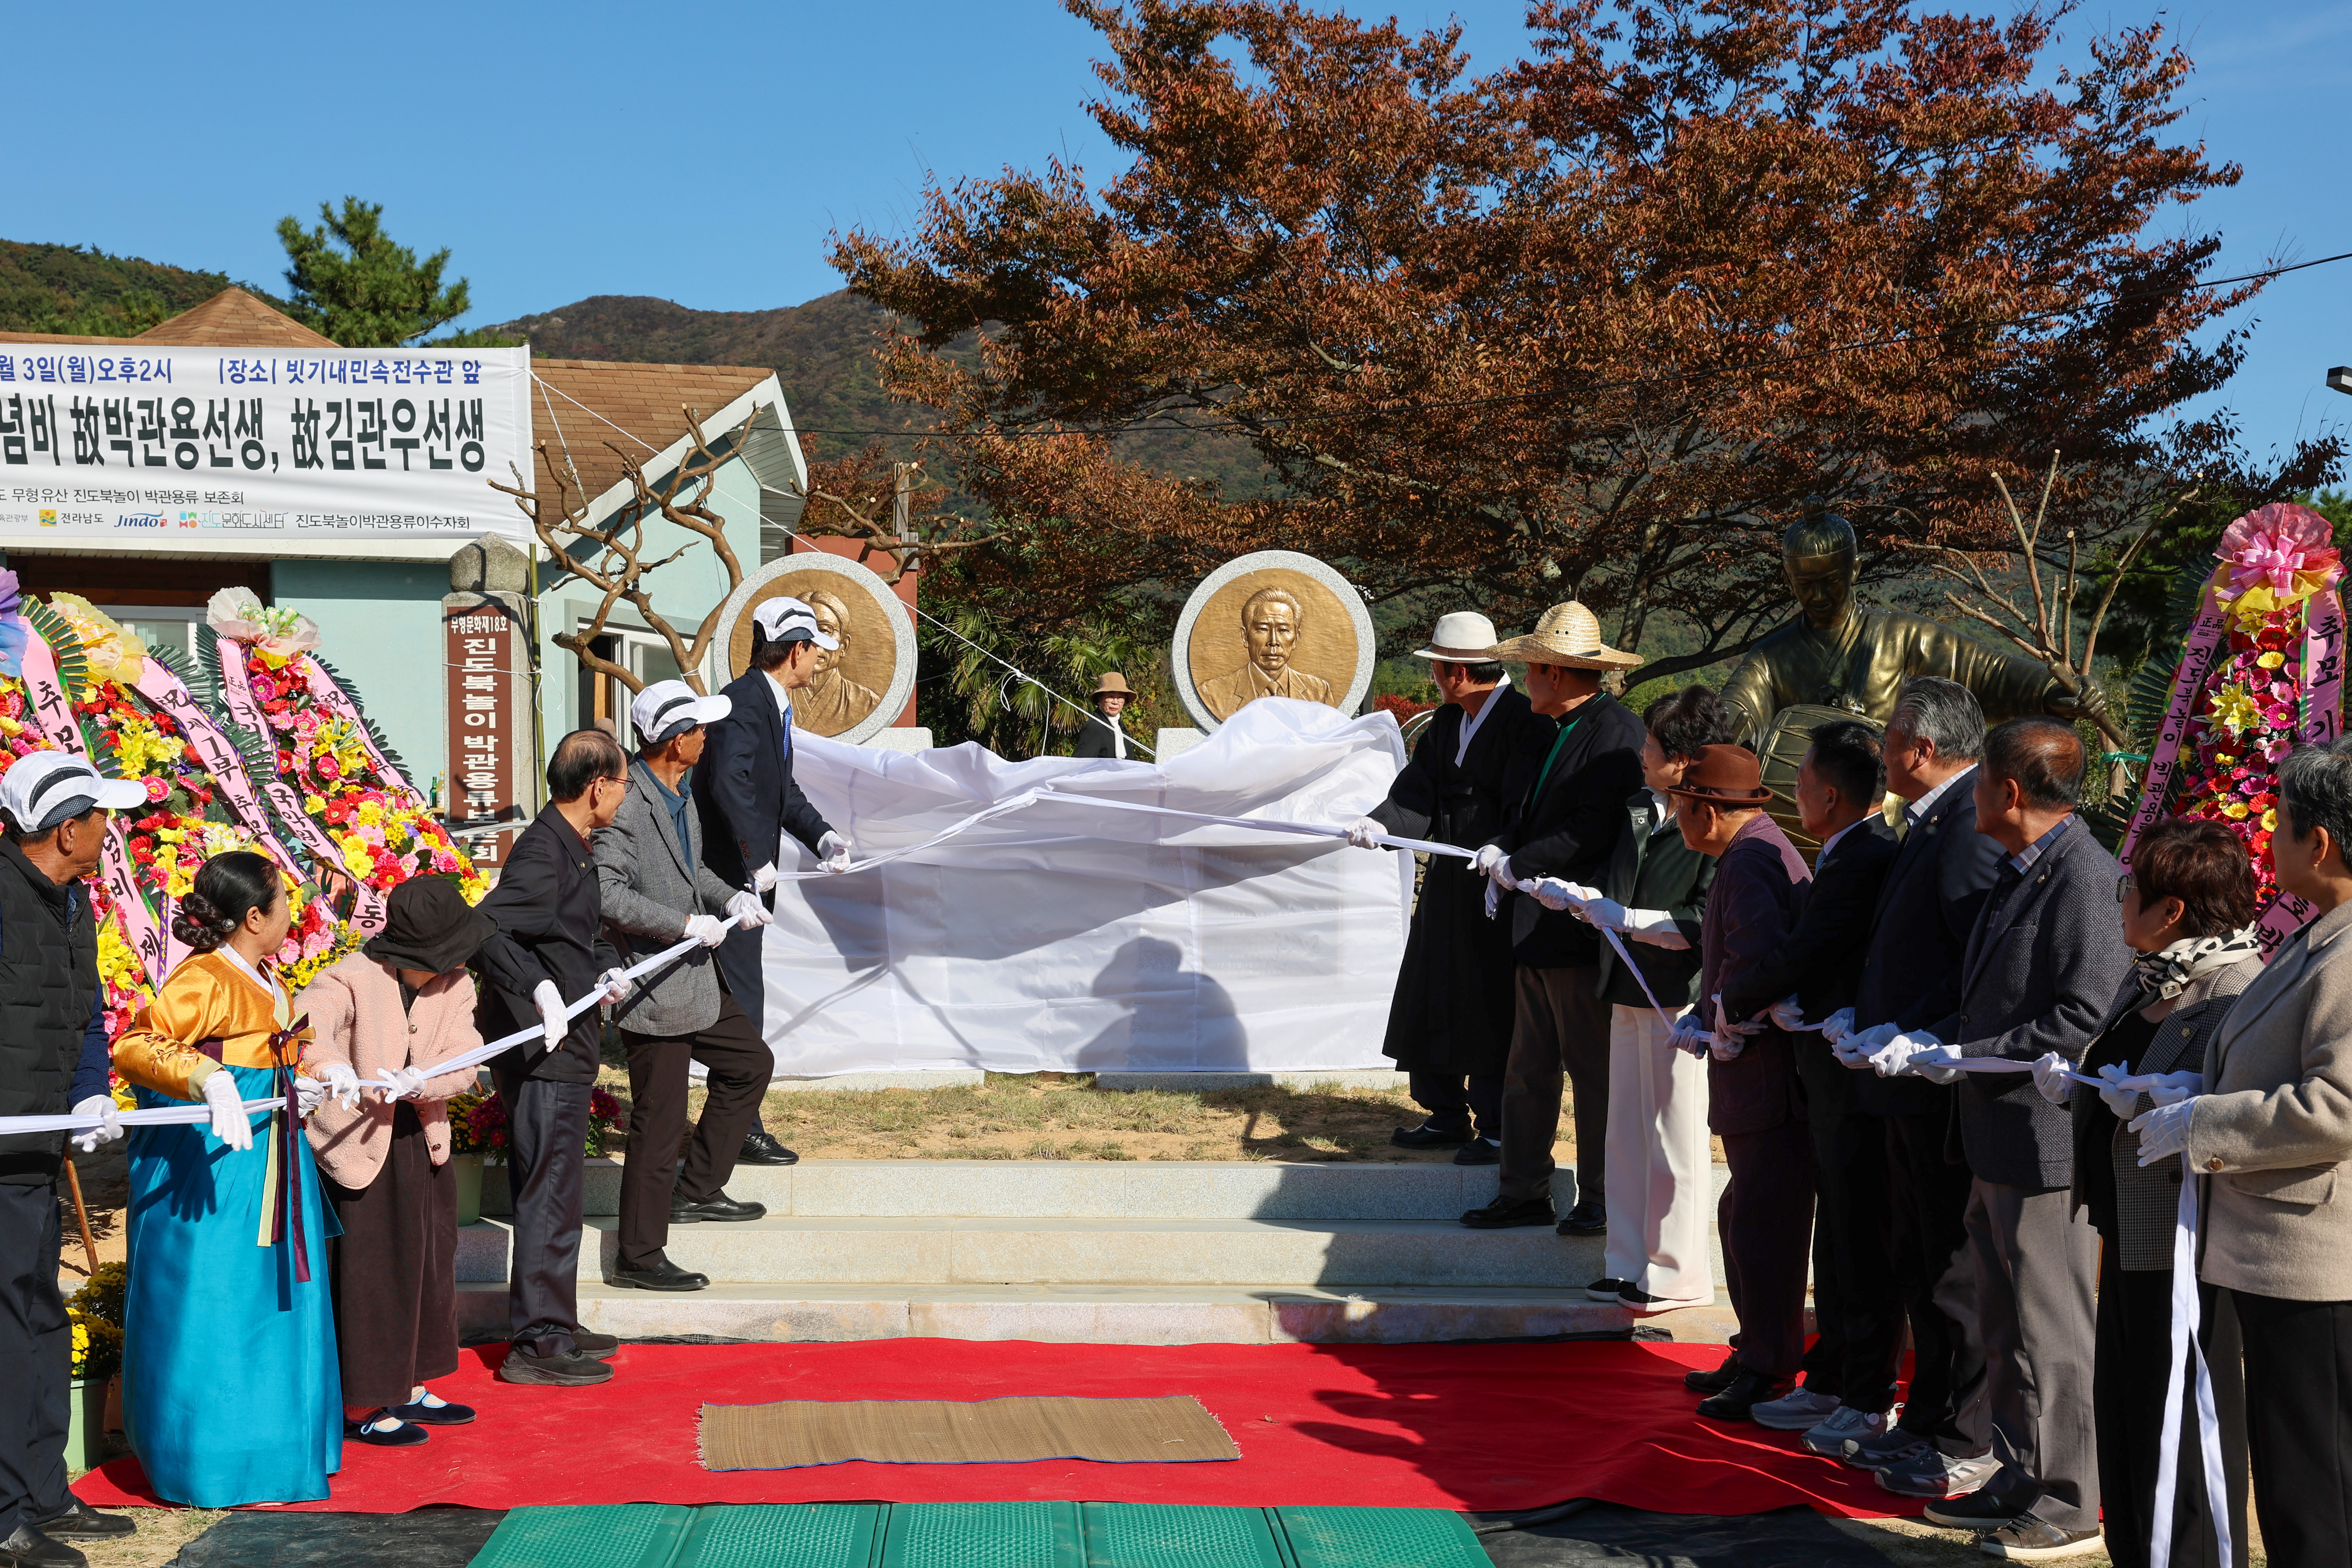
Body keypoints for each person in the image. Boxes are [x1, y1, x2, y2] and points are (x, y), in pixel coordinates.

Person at [1856, 717, 2130, 1557]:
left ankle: (2072, 1497)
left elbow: (2084, 1015)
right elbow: (1988, 995)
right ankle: (2018, 1468)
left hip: (2041, 1141)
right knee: (2007, 1323)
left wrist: (1962, 1055)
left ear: (2010, 792)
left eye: (1978, 782)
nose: (1969, 795)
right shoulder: (2027, 866)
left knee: (2052, 1325)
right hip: (1994, 1136)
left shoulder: (2083, 875)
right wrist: (1924, 1037)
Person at [2032, 817, 2256, 1568]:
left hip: (2186, 1241)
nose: (2120, 900)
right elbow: (2115, 1073)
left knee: (2181, 1416)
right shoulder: (2149, 972)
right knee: (2126, 1405)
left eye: (2134, 890)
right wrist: (2077, 1088)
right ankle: (2134, 1548)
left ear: (2173, 911)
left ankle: (2187, 1552)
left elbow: (2236, 1108)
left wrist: (2177, 1100)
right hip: (2123, 1229)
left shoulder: (2233, 988)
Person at [2159, 735, 2352, 1568]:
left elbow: (2339, 1105)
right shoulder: (2319, 936)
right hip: (2275, 1253)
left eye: (2280, 824)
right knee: (2293, 1481)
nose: (2269, 840)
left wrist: (2204, 1124)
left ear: (2323, 842)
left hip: (2319, 1260)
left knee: (2319, 1493)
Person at [111, 851, 339, 1506]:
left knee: (276, 1298)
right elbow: (135, 1045)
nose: (293, 914)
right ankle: (206, 1459)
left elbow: (286, 1053)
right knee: (213, 1299)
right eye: (283, 903)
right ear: (253, 917)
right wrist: (207, 1077)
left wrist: (318, 1075)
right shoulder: (202, 979)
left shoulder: (270, 977)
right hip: (210, 1172)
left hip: (274, 1162)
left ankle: (281, 1448)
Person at [1828, 677, 2004, 1486]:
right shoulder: (1934, 818)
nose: (1884, 750)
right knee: (1918, 1258)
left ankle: (1963, 1432)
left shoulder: (1968, 824)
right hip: (1898, 1078)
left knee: (1947, 1264)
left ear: (1923, 748)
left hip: (1934, 1084)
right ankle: (1929, 1413)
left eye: (1891, 736)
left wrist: (1928, 1035)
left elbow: (1977, 957)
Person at [1717, 722, 1900, 1448]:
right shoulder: (1847, 850)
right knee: (1842, 1229)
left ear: (1829, 793)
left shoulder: (1859, 856)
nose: (1793, 797)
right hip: (1829, 1064)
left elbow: (1808, 949)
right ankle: (1832, 1373)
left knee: (1858, 1232)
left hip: (1849, 1074)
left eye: (1798, 784)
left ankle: (1856, 1384)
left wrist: (1735, 1002)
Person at [1531, 684, 1723, 1311]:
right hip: (1625, 988)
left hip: (1680, 999)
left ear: (1687, 758)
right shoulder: (1641, 807)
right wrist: (1579, 898)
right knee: (1626, 1135)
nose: (1642, 753)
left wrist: (1630, 917)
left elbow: (1699, 919)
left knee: (1676, 1137)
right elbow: (1617, 887)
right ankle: (1628, 1261)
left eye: (1653, 745)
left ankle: (1675, 1273)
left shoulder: (1710, 823)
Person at [1457, 602, 1645, 1234]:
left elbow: (1589, 829)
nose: (1526, 682)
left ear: (1556, 673)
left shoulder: (1616, 733)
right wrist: (1504, 851)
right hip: (1534, 927)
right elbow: (1528, 809)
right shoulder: (1545, 730)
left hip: (1578, 926)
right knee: (1527, 1069)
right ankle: (1524, 1188)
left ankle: (1598, 1194)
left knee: (1592, 1073)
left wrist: (1520, 861)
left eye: (1532, 669)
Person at [0, 755, 143, 1565]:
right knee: (6, 1322)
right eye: (102, 818)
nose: (109, 832)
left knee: (43, 1317)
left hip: (40, 1145)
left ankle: (42, 1491)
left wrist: (90, 1091)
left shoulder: (74, 900)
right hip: (1, 1148)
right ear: (66, 828)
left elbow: (88, 1015)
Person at [300, 874, 497, 1450]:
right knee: (372, 1273)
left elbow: (467, 1054)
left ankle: (409, 1384)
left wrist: (425, 1077)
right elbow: (309, 1021)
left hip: (421, 1135)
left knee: (429, 1265)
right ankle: (362, 1401)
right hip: (358, 1142)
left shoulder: (457, 986)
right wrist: (330, 1064)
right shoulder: (353, 975)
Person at [1346, 612, 1549, 1164]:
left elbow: (1526, 806)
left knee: (1487, 1001)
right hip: (1446, 885)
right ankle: (1443, 1111)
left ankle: (1497, 1125)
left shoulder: (1526, 722)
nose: (1434, 676)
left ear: (1458, 671)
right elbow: (1418, 794)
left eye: (1438, 667)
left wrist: (1506, 851)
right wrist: (1383, 825)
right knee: (1430, 987)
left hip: (1497, 885)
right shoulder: (1444, 724)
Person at [596, 681, 778, 1293]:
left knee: (750, 1063)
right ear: (677, 740)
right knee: (658, 1122)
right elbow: (608, 894)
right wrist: (683, 924)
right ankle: (639, 1258)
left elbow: (693, 868)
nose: (709, 736)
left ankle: (697, 1189)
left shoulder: (682, 792)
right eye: (701, 729)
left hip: (696, 982)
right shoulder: (626, 804)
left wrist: (731, 899)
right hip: (653, 988)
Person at [473, 730, 635, 1387]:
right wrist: (535, 987)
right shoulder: (543, 853)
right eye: (621, 782)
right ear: (597, 785)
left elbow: (571, 934)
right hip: (543, 1054)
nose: (624, 795)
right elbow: (486, 927)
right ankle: (538, 1343)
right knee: (548, 1192)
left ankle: (554, 1320)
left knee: (558, 1192)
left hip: (568, 1042)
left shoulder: (573, 850)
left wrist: (605, 969)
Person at [1664, 744, 1815, 1420]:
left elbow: (1753, 963)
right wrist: (1705, 1015)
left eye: (1680, 805)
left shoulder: (1751, 859)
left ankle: (1769, 1365)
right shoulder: (1753, 848)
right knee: (1744, 1214)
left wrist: (1720, 1018)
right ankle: (1758, 1345)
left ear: (1706, 808)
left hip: (1765, 1076)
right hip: (1757, 1072)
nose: (1675, 818)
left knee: (1764, 1223)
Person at [695, 596, 855, 1169]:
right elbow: (728, 785)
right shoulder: (743, 703)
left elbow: (778, 793)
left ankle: (737, 1121)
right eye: (817, 651)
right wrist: (754, 858)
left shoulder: (770, 702)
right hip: (727, 882)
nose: (820, 663)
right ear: (797, 650)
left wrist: (824, 837)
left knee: (740, 1000)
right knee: (742, 1003)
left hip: (745, 877)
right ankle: (740, 1127)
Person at [1196, 586, 1338, 720]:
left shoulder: (1319, 692)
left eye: (1283, 630)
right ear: (1245, 637)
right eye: (1263, 629)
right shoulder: (1213, 693)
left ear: (1296, 639)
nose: (1273, 641)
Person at [789, 588, 885, 737]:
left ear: (844, 645)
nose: (814, 642)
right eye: (804, 630)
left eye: (825, 630)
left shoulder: (866, 702)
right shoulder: (776, 696)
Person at [1074, 673, 1136, 760]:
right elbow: (1080, 764)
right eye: (1110, 697)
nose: (1116, 702)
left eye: (1120, 697)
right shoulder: (1094, 727)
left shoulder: (1121, 728)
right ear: (1100, 699)